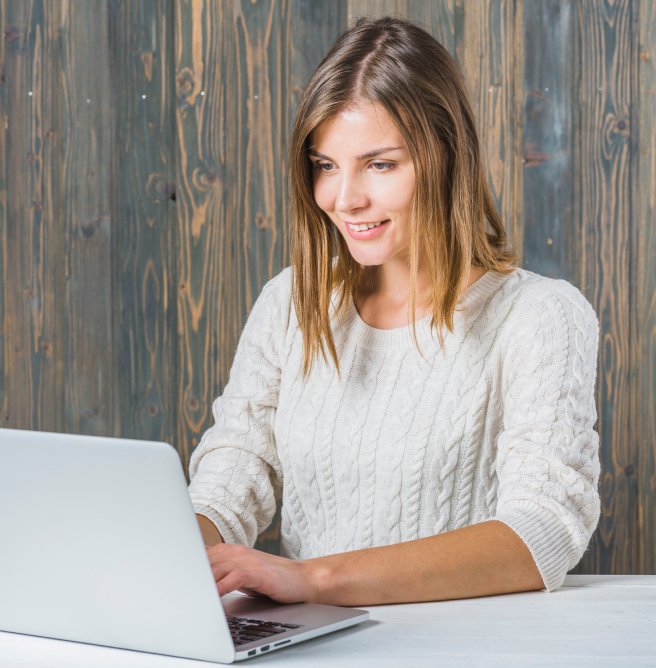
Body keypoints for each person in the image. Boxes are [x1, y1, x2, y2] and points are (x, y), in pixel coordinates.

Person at [188, 16, 600, 606]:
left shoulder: (540, 317)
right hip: (322, 645)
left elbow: (542, 531)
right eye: (326, 165)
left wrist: (313, 579)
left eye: (379, 164)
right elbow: (236, 473)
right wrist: (177, 557)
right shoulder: (291, 300)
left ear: (445, 156)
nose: (345, 198)